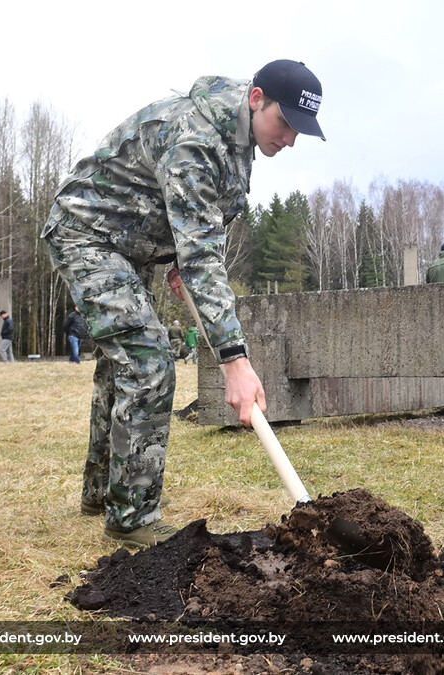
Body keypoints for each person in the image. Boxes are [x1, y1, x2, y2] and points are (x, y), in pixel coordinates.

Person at [43, 59, 325, 547]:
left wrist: (178, 257)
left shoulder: (240, 131)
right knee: (150, 363)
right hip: (86, 236)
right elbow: (203, 256)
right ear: (257, 98)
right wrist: (235, 361)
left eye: (301, 131)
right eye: (286, 124)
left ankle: (104, 492)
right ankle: (132, 519)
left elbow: (205, 220)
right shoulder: (195, 138)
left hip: (130, 246)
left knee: (123, 365)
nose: (290, 140)